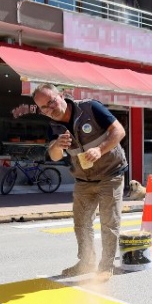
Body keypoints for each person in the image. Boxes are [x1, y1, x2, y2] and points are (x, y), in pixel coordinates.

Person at [33, 84, 128, 280]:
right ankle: (86, 262)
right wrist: (57, 146)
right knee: (81, 222)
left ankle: (105, 266)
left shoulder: (90, 108)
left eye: (51, 101)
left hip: (111, 173)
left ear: (61, 95)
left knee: (109, 222)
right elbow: (54, 156)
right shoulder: (53, 126)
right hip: (84, 179)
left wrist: (100, 150)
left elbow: (119, 131)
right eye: (44, 108)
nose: (50, 109)